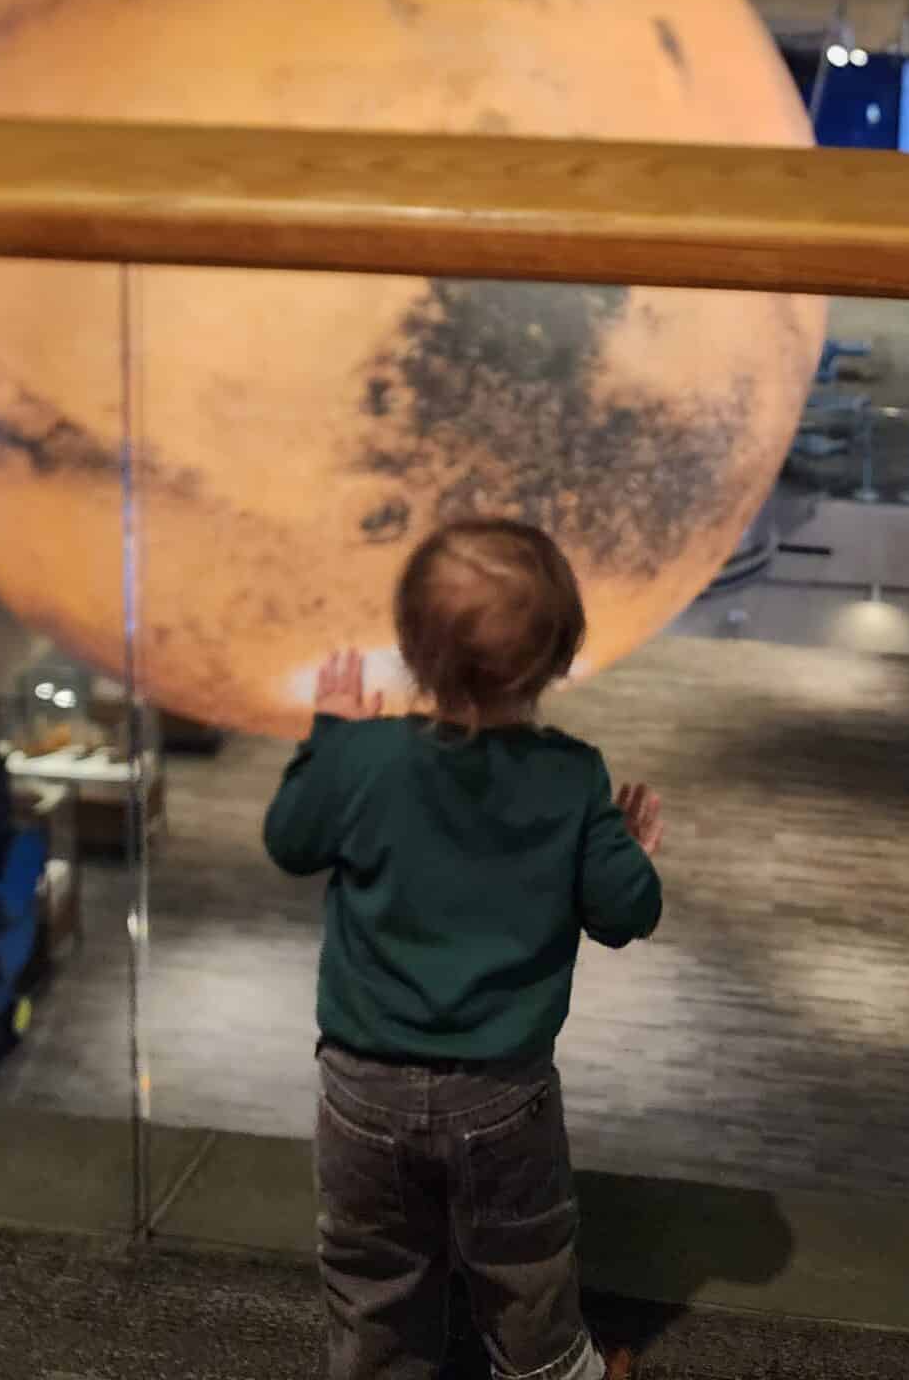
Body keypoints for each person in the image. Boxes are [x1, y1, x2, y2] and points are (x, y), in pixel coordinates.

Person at [262, 520, 659, 1380]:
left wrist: (329, 736)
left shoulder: (364, 757)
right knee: (524, 1269)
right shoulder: (572, 777)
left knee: (373, 1280)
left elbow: (290, 840)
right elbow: (624, 913)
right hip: (501, 1093)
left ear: (410, 648)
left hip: (361, 1087)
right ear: (561, 655)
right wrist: (625, 849)